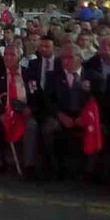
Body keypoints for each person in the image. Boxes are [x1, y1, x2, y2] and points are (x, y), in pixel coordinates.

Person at [42, 43, 100, 181]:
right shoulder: (53, 76)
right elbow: (48, 101)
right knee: (49, 127)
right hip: (62, 115)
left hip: (85, 116)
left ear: (80, 58)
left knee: (99, 129)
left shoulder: (93, 77)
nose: (65, 61)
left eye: (70, 57)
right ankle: (55, 167)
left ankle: (90, 171)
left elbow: (98, 102)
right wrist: (60, 115)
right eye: (63, 58)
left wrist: (84, 118)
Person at [0, 45, 39, 177]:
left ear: (19, 56)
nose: (8, 57)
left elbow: (36, 95)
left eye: (12, 55)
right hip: (2, 111)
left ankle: (29, 165)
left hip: (23, 110)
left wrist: (30, 109)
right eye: (5, 54)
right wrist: (0, 112)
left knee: (32, 126)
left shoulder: (29, 73)